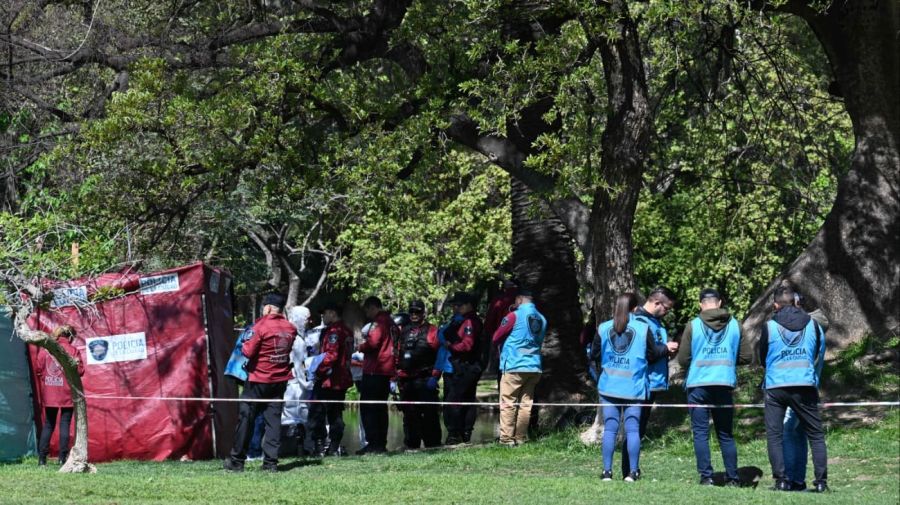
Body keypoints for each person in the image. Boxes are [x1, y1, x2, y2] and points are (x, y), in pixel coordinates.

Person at [594, 293, 675, 482]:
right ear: (633, 309)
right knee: (632, 430)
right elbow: (653, 353)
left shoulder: (603, 327)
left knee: (610, 430)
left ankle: (607, 472)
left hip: (609, 386)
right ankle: (632, 472)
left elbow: (595, 355)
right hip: (634, 387)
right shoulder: (642, 328)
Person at [760, 285, 829, 493]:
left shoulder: (769, 326)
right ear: (796, 302)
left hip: (776, 386)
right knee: (815, 435)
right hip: (804, 385)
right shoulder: (814, 325)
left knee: (775, 435)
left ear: (775, 305)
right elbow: (818, 353)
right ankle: (820, 483)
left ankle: (781, 480)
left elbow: (762, 357)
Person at [677, 288, 744, 486]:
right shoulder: (735, 325)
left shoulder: (693, 325)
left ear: (701, 304)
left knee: (700, 433)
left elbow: (683, 359)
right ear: (720, 302)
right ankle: (733, 478)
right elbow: (747, 356)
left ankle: (707, 477)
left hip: (698, 385)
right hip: (724, 384)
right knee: (725, 434)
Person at [224, 293, 296, 472]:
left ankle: (236, 461)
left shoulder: (261, 325)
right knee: (273, 423)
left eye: (264, 306)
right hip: (279, 381)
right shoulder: (290, 328)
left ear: (269, 307)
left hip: (257, 380)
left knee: (246, 420)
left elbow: (247, 351)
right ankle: (270, 463)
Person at [624, 286, 677, 478]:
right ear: (656, 303)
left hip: (652, 381)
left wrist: (665, 351)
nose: (667, 312)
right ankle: (629, 470)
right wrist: (666, 348)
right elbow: (647, 352)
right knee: (635, 427)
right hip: (642, 381)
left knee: (639, 426)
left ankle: (632, 468)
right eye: (666, 308)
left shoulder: (655, 322)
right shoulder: (640, 321)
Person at [783, 292, 829, 491]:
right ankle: (803, 480)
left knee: (787, 431)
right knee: (802, 434)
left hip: (794, 386)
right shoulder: (817, 329)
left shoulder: (808, 329)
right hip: (811, 386)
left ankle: (790, 479)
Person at [491, 288, 546, 446]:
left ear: (520, 299)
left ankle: (506, 439)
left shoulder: (513, 316)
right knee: (525, 404)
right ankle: (520, 438)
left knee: (508, 402)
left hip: (515, 365)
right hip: (534, 366)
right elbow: (539, 341)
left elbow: (496, 336)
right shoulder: (542, 319)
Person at [395, 300, 443, 449]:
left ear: (423, 313)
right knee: (409, 415)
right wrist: (394, 377)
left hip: (425, 379)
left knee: (429, 414)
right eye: (412, 312)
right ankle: (411, 445)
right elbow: (397, 354)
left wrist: (435, 376)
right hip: (406, 380)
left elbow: (440, 355)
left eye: (417, 312)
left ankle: (433, 445)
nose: (414, 315)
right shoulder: (402, 331)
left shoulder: (432, 330)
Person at [35, 325, 84, 466]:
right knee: (65, 424)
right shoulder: (73, 350)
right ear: (70, 336)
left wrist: (47, 379)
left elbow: (38, 369)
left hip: (49, 394)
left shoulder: (46, 349)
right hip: (67, 393)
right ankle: (63, 458)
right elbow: (80, 371)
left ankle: (42, 460)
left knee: (48, 425)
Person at [308, 303, 353, 457]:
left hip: (331, 380)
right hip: (340, 379)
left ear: (333, 313)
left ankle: (324, 446)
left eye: (325, 313)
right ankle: (332, 446)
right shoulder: (346, 330)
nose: (323, 317)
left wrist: (316, 370)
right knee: (335, 413)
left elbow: (331, 356)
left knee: (319, 412)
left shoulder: (335, 332)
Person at [356, 296, 398, 454]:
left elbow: (373, 342)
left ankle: (374, 443)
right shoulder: (392, 322)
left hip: (375, 370)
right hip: (386, 370)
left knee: (369, 407)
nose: (367, 314)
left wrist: (361, 347)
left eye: (367, 310)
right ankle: (380, 443)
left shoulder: (379, 322)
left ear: (372, 307)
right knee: (380, 408)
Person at [441, 291, 484, 445]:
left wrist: (451, 346)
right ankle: (462, 433)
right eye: (454, 305)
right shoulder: (460, 321)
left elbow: (467, 345)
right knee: (466, 399)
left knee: (455, 400)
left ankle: (456, 434)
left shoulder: (470, 322)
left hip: (466, 367)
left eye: (458, 305)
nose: (455, 308)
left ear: (469, 305)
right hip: (464, 366)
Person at [281, 306, 314, 456]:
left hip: (287, 381)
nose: (309, 322)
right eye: (306, 319)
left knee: (289, 414)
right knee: (296, 415)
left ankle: (292, 449)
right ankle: (296, 449)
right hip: (295, 384)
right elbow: (299, 365)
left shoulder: (286, 334)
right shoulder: (297, 340)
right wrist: (307, 383)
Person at [484, 278, 518, 372]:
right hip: (525, 341)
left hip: (504, 339)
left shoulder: (500, 300)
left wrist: (494, 337)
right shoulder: (527, 299)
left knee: (504, 372)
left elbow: (489, 323)